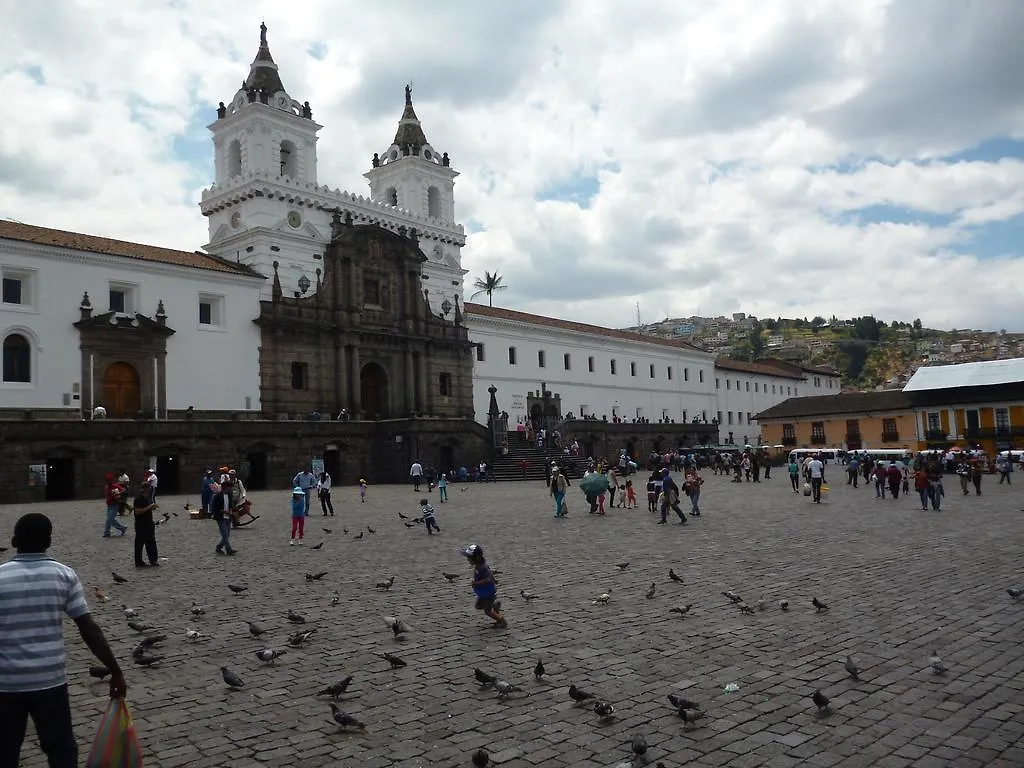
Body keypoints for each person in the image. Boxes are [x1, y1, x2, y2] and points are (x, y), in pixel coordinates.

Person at [0, 513, 126, 768]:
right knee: (62, 752)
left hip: (6, 683)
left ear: (15, 540)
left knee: (4, 752)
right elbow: (89, 629)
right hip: (50, 682)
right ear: (48, 540)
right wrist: (115, 670)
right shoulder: (64, 575)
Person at [463, 544, 506, 629]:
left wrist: (477, 583)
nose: (468, 559)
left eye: (469, 558)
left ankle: (501, 620)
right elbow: (490, 574)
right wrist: (494, 579)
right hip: (483, 593)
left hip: (488, 592)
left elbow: (487, 579)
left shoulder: (482, 567)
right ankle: (494, 605)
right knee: (478, 606)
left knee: (487, 611)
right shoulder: (479, 566)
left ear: (477, 558)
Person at [132, 479, 159, 568]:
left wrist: (152, 507)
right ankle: (139, 562)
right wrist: (149, 507)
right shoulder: (138, 499)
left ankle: (153, 560)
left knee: (151, 542)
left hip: (149, 523)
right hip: (141, 524)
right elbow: (138, 512)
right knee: (139, 544)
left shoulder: (147, 498)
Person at [211, 480, 238, 555]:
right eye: (230, 487)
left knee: (227, 534)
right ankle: (228, 549)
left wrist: (231, 512)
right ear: (226, 487)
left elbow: (230, 506)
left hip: (228, 517)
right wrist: (225, 512)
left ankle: (219, 546)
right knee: (225, 534)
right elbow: (215, 508)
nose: (231, 489)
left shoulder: (229, 495)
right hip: (221, 517)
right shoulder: (217, 496)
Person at [102, 472, 127, 538]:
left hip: (114, 505)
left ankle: (107, 532)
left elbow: (124, 490)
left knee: (109, 519)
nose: (108, 481)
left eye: (109, 480)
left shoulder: (115, 486)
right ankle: (122, 528)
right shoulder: (107, 487)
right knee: (112, 520)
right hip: (109, 505)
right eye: (107, 480)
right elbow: (107, 495)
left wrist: (118, 493)